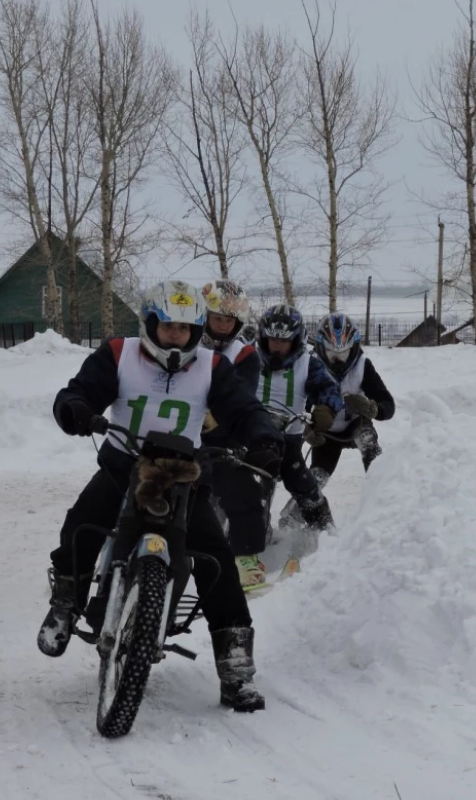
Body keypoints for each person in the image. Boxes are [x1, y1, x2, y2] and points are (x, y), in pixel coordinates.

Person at [37, 279, 287, 713]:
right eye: (168, 326)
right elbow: (79, 390)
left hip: (184, 477)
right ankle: (66, 605)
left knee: (216, 561)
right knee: (80, 526)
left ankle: (235, 669)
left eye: (186, 328)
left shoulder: (212, 367)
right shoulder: (119, 353)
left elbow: (244, 408)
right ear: (150, 323)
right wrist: (74, 408)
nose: (178, 335)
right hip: (122, 466)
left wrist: (263, 439)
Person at [254, 304, 344, 543]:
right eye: (272, 339)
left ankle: (326, 533)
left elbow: (329, 389)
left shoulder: (308, 363)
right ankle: (239, 536)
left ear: (296, 340)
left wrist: (325, 409)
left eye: (284, 341)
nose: (277, 345)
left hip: (287, 440)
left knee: (305, 486)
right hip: (249, 437)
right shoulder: (247, 358)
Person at [199, 280, 267, 592]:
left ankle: (246, 559)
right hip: (178, 429)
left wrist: (216, 418)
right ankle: (113, 551)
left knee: (243, 492)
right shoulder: (185, 341)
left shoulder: (245, 355)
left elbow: (243, 395)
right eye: (217, 318)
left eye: (229, 321)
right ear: (204, 316)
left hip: (223, 435)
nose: (223, 326)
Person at [309, 313, 395, 487]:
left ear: (354, 347)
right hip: (327, 432)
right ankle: (298, 513)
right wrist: (307, 426)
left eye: (344, 353)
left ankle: (383, 491)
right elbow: (298, 406)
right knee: (316, 478)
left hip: (357, 424)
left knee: (368, 442)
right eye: (332, 353)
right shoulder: (313, 368)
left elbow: (388, 404)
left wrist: (373, 409)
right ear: (321, 349)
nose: (339, 359)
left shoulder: (363, 366)